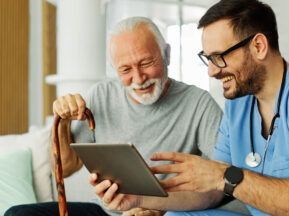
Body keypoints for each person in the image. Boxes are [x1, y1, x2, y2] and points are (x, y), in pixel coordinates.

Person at [90, 0, 289, 215]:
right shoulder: (239, 106)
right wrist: (139, 198)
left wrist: (225, 175)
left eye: (219, 57)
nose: (212, 72)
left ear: (258, 46)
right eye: (208, 59)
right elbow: (208, 193)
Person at [4, 17, 223, 216]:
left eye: (146, 63)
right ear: (114, 69)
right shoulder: (101, 94)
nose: (138, 78)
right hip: (104, 211)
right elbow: (66, 168)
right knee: (18, 214)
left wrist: (161, 208)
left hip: (164, 212)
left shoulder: (199, 104)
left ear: (167, 54)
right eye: (125, 70)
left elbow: (221, 183)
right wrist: (63, 122)